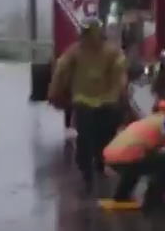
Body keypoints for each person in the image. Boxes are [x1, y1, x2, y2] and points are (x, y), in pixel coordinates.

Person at [48, 16, 128, 195]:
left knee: (99, 136)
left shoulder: (105, 52)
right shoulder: (78, 52)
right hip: (94, 101)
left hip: (98, 101)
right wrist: (55, 91)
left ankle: (94, 166)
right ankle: (89, 168)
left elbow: (119, 73)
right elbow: (62, 71)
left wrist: (54, 93)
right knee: (90, 137)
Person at [100, 112, 165, 211]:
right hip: (129, 157)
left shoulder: (146, 121)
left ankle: (121, 196)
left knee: (137, 164)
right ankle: (155, 196)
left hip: (110, 157)